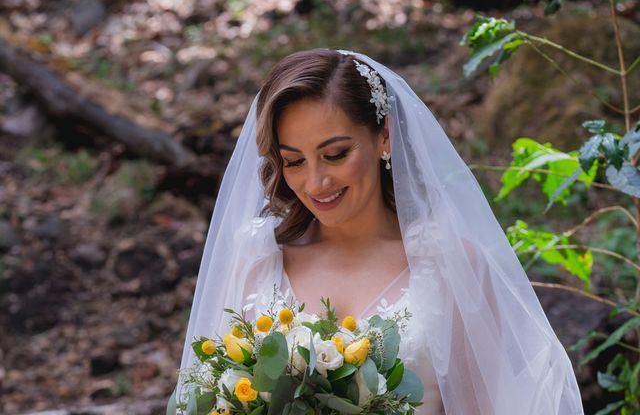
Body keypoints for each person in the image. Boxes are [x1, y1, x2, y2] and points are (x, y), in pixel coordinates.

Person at [175, 48, 584, 414]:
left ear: (384, 136)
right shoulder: (257, 258)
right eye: (294, 161)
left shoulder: (450, 267)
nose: (315, 183)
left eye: (335, 154)